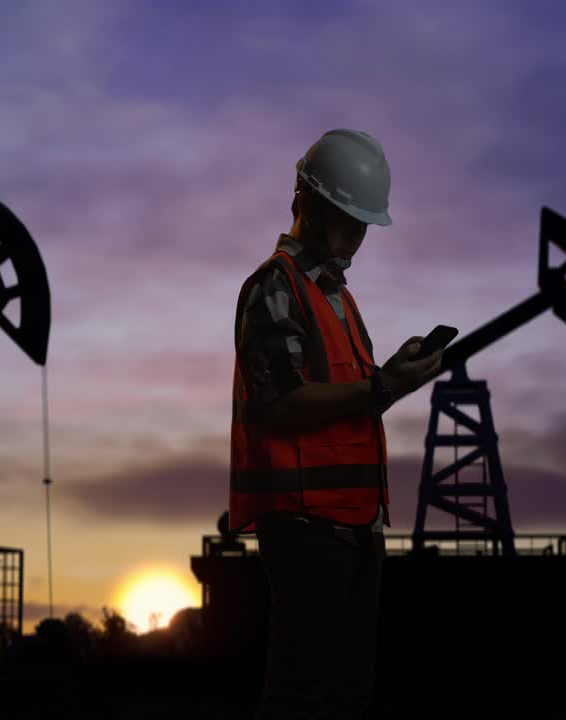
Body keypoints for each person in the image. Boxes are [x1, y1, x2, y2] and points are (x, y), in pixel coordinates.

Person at [229, 128, 444, 719]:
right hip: (306, 526)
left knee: (347, 696)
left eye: (362, 225)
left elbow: (351, 403)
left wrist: (392, 380)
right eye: (344, 220)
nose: (355, 237)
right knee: (302, 696)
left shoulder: (338, 299)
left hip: (354, 523)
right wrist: (380, 386)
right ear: (304, 200)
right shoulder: (275, 286)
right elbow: (279, 404)